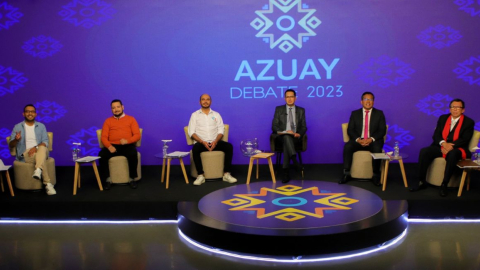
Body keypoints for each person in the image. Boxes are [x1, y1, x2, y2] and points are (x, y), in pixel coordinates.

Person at [410, 98, 474, 197]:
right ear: (450, 109)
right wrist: (444, 144)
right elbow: (436, 135)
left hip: (457, 148)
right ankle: (421, 181)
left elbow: (465, 139)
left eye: (458, 107)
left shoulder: (469, 122)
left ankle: (444, 184)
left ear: (463, 110)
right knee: (425, 151)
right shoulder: (443, 118)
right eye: (453, 107)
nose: (455, 109)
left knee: (453, 154)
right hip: (442, 145)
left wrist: (450, 146)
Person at [187, 94, 237, 185]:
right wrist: (202, 141)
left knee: (229, 146)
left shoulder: (216, 114)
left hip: (215, 142)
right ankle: (200, 175)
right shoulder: (195, 115)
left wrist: (215, 141)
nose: (205, 101)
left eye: (208, 99)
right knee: (195, 148)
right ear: (200, 102)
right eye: (203, 99)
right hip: (201, 143)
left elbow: (221, 130)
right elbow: (191, 132)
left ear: (211, 101)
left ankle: (226, 174)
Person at [9, 104, 56, 195]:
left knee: (42, 148)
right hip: (26, 154)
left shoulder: (41, 126)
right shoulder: (17, 127)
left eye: (32, 111)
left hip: (40, 150)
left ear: (35, 114)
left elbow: (45, 141)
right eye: (27, 111)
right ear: (23, 114)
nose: (30, 113)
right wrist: (16, 139)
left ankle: (38, 169)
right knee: (40, 157)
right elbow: (11, 145)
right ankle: (47, 183)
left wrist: (35, 147)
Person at [341, 92, 386, 186]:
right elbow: (350, 130)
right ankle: (346, 173)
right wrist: (358, 139)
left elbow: (382, 131)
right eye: (366, 99)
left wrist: (371, 139)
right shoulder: (355, 113)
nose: (368, 101)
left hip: (373, 141)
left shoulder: (379, 114)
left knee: (377, 149)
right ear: (361, 102)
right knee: (348, 146)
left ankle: (375, 175)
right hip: (358, 140)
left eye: (371, 99)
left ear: (373, 102)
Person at [99, 99, 141, 190]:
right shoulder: (108, 121)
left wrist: (127, 141)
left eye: (118, 107)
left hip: (126, 145)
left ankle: (132, 178)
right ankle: (107, 179)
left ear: (122, 107)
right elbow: (103, 137)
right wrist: (109, 146)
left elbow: (137, 135)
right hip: (112, 146)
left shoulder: (131, 119)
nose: (116, 109)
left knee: (133, 153)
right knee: (102, 155)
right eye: (113, 108)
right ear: (111, 110)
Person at [271, 89, 307, 183]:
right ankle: (294, 161)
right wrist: (285, 131)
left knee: (288, 142)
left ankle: (285, 173)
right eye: (287, 97)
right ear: (284, 98)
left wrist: (299, 134)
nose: (289, 99)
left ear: (295, 98)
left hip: (295, 138)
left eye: (291, 97)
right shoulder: (279, 109)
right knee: (286, 137)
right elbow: (274, 126)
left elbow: (304, 127)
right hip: (281, 137)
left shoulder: (301, 110)